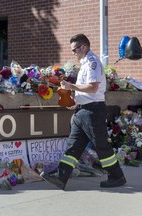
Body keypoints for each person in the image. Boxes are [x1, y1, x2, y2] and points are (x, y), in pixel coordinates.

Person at [40, 33, 126, 189]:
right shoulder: (85, 64)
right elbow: (85, 90)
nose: (74, 53)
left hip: (92, 111)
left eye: (75, 49)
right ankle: (61, 177)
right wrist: (76, 101)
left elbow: (93, 88)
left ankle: (117, 176)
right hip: (83, 111)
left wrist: (71, 87)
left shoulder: (93, 63)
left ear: (84, 47)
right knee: (73, 146)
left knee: (101, 146)